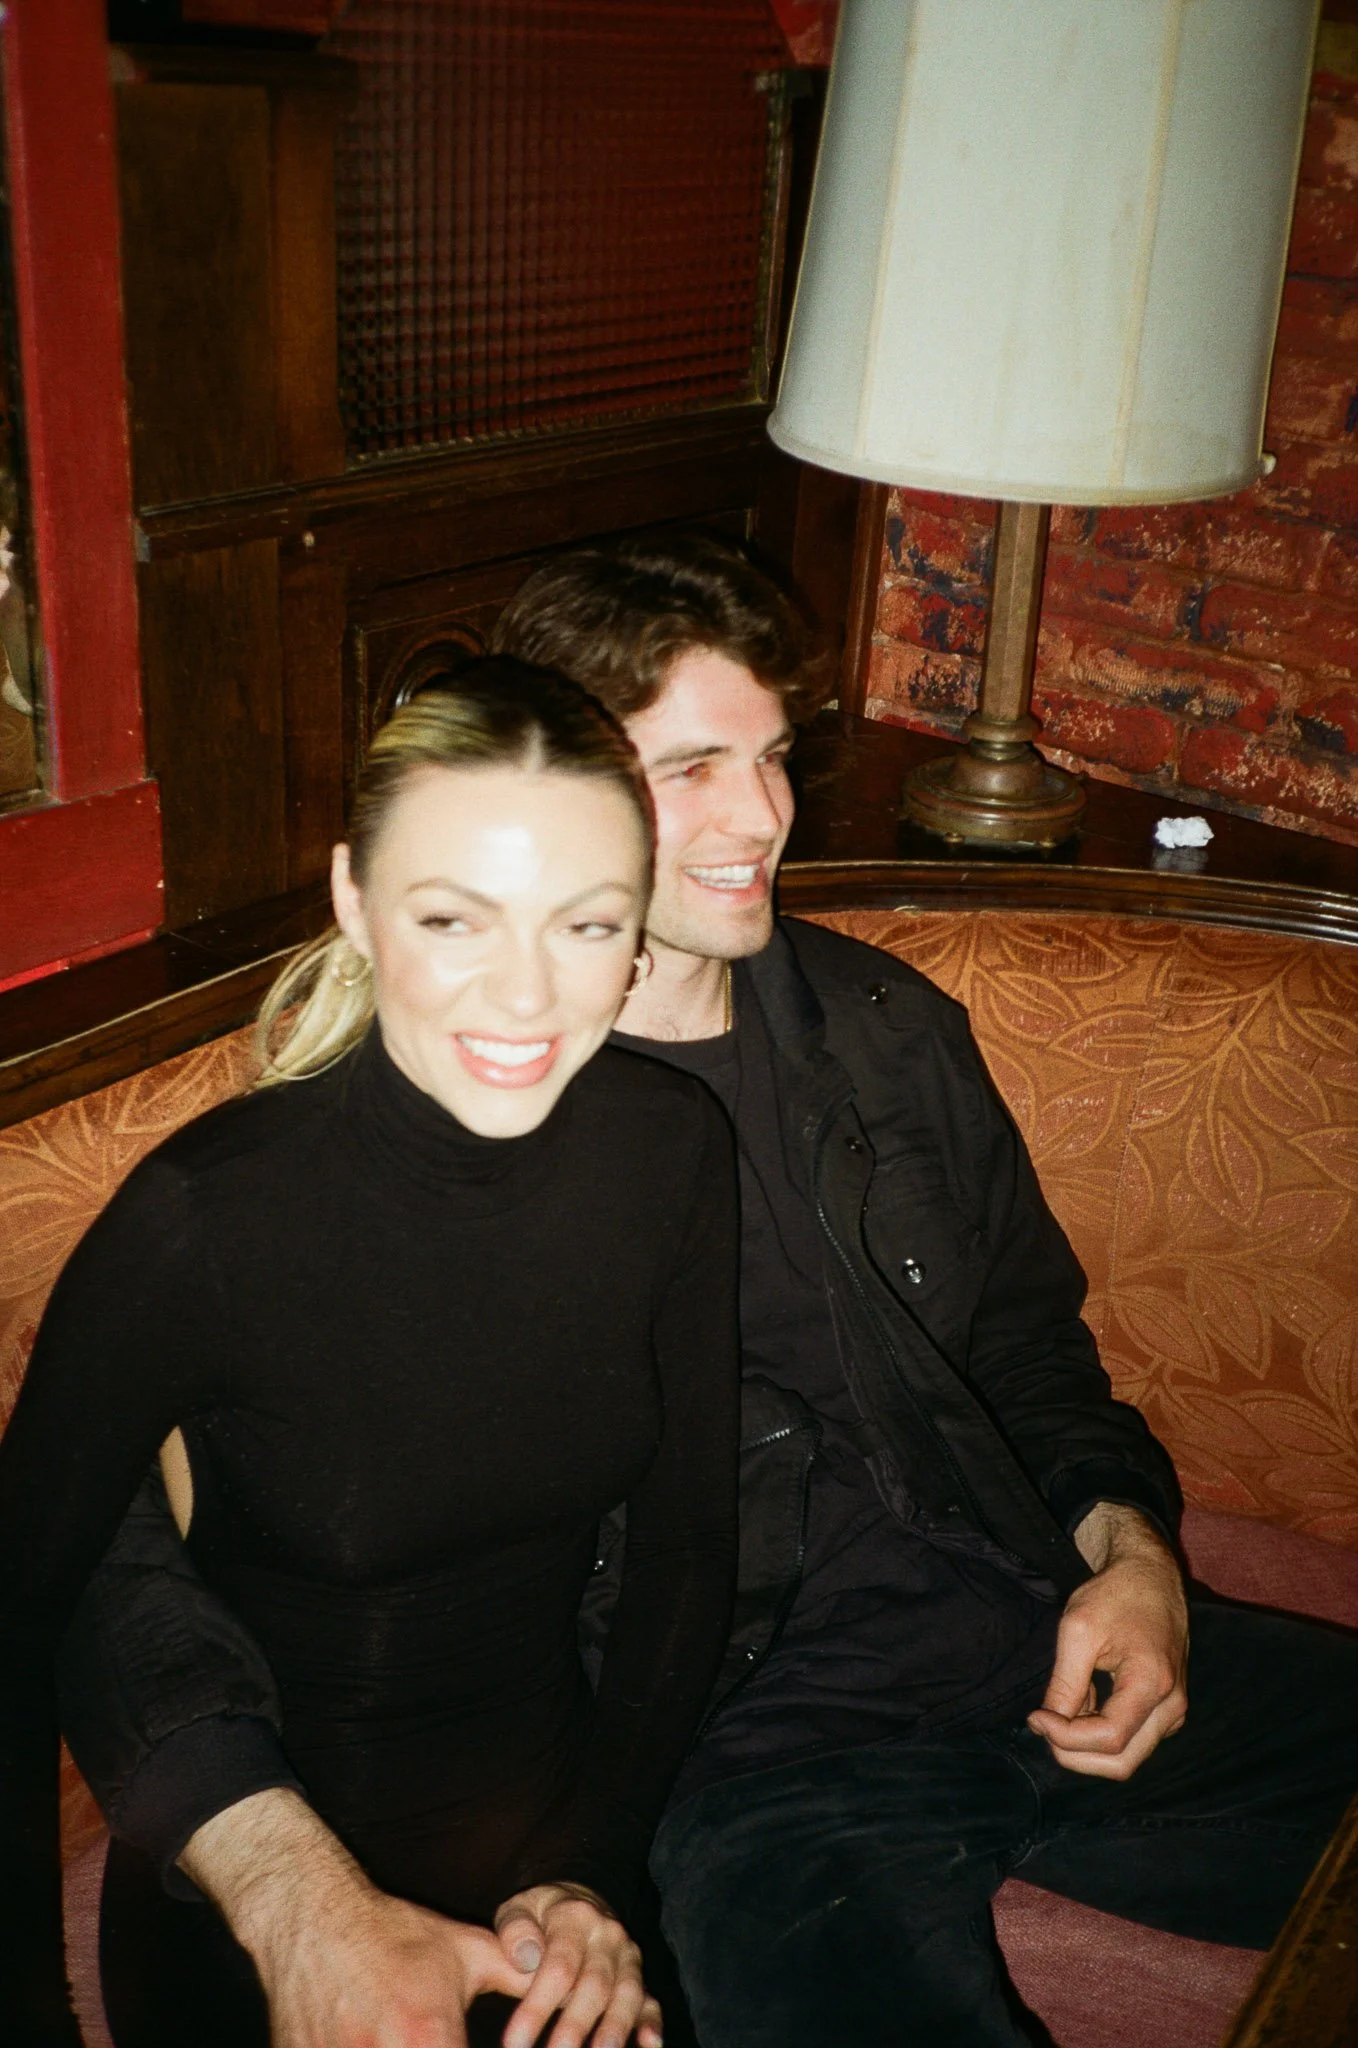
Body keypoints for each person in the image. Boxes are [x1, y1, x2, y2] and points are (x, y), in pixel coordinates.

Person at [57, 535, 1358, 2048]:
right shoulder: (455, 1118)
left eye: (774, 757)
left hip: (1022, 1621)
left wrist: (1130, 1557)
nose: (763, 818)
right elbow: (119, 1550)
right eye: (691, 770)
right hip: (749, 1754)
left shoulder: (886, 1032)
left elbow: (1023, 1348)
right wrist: (297, 1874)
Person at [0, 660, 742, 2048]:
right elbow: (20, 1605)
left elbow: (688, 1553)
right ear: (354, 900)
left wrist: (591, 1874)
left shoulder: (672, 1150)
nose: (526, 994)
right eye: (454, 918)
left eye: (586, 923)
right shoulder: (202, 1222)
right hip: (262, 1896)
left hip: (562, 1865)